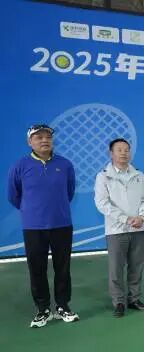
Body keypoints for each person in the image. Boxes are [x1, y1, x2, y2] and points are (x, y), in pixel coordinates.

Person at [7, 124, 79, 328]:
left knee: (62, 268)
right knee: (36, 269)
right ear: (30, 142)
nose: (44, 140)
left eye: (48, 137)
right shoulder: (20, 166)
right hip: (33, 227)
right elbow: (13, 195)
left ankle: (63, 306)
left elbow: (69, 192)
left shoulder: (65, 165)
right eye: (39, 137)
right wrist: (32, 211)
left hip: (61, 224)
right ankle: (43, 309)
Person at [95, 138, 144, 317]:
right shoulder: (103, 176)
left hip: (138, 229)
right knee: (116, 268)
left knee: (137, 266)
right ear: (111, 153)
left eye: (126, 150)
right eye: (119, 150)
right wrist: (125, 219)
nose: (124, 153)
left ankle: (134, 299)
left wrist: (141, 217)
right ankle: (118, 302)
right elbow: (102, 203)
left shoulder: (139, 175)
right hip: (116, 230)